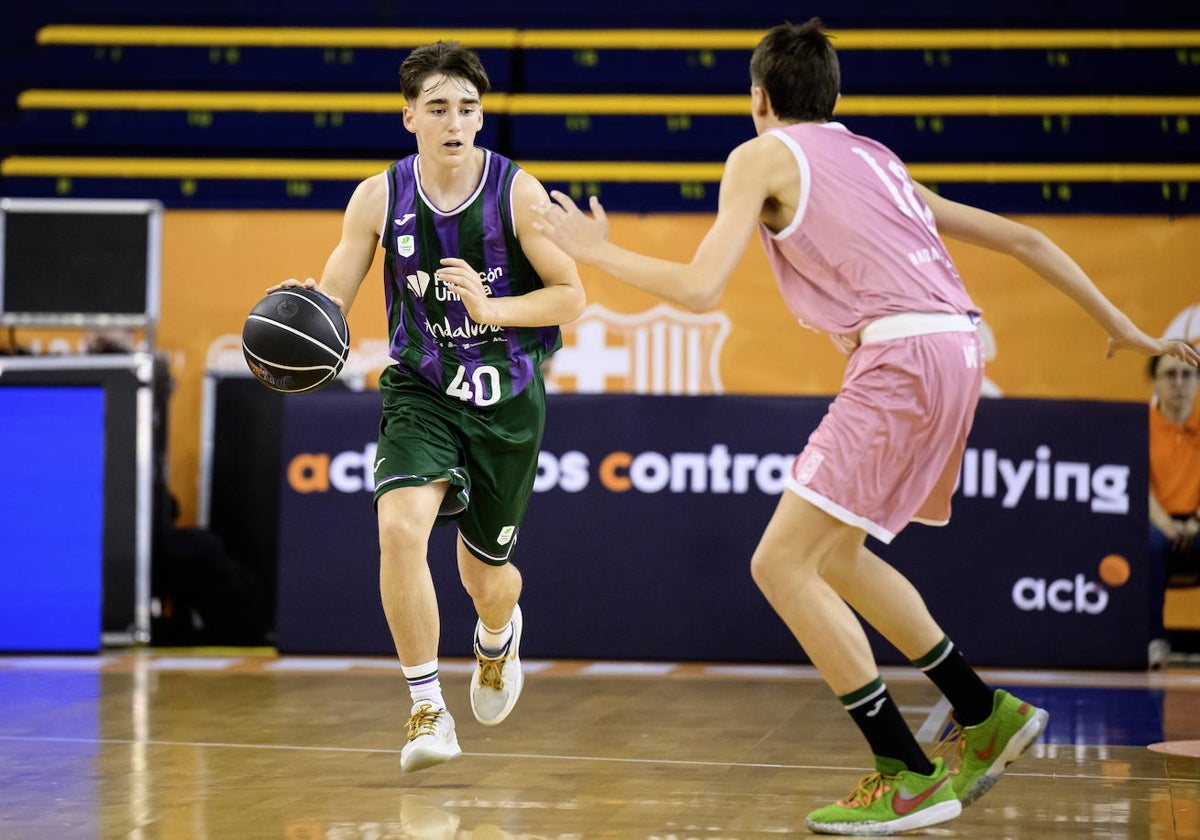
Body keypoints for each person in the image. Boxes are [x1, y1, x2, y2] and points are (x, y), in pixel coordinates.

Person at [531, 18, 1200, 835]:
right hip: (954, 348)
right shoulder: (879, 159)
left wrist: (597, 252)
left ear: (757, 97)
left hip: (903, 356)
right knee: (837, 557)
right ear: (836, 96)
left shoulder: (760, 154)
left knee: (779, 565)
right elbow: (1024, 237)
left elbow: (703, 290)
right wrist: (1125, 326)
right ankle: (981, 711)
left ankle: (906, 771)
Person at [275, 40, 585, 773]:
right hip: (420, 387)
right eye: (440, 108)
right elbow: (336, 296)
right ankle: (426, 707)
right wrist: (305, 311)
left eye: (469, 108)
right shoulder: (378, 197)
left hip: (505, 398)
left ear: (482, 117)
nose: (455, 121)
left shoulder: (519, 193)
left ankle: (497, 632)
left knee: (486, 577)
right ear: (410, 115)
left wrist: (492, 305)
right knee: (399, 524)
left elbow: (572, 296)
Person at [1149, 351, 1200, 641]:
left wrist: (1195, 521)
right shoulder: (1141, 426)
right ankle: (1153, 641)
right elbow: (1135, 483)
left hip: (1196, 523)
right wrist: (1165, 524)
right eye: (1170, 374)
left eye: (1187, 374)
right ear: (1154, 382)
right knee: (1149, 544)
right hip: (1156, 522)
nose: (1179, 383)